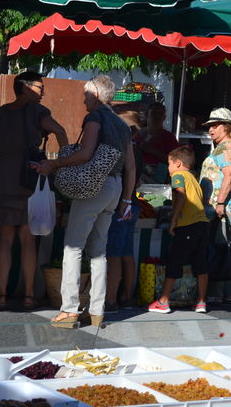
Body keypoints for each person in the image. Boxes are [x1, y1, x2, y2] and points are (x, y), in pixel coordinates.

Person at [35, 75, 135, 328]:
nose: (83, 98)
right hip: (115, 187)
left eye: (85, 94)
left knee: (73, 247)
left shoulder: (95, 118)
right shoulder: (123, 126)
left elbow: (85, 153)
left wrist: (54, 163)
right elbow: (131, 167)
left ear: (95, 95)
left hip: (94, 186)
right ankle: (97, 310)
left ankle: (69, 310)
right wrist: (126, 200)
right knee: (99, 249)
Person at [0, 72, 68, 311]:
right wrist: (66, 161)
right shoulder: (39, 113)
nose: (43, 91)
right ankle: (29, 295)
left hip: (1, 178)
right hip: (28, 178)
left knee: (4, 239)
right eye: (40, 87)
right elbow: (60, 131)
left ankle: (0, 295)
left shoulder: (3, 112)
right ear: (25, 87)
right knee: (28, 240)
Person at [148, 145, 211, 314]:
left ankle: (164, 300)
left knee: (174, 261)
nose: (168, 168)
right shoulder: (193, 179)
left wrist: (173, 220)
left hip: (187, 226)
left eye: (169, 164)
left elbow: (181, 195)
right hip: (202, 225)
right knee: (201, 264)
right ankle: (201, 302)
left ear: (177, 163)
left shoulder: (178, 176)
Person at [199, 108, 231, 304]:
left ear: (226, 127)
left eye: (215, 125)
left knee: (219, 248)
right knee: (229, 248)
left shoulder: (226, 147)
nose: (211, 130)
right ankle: (228, 291)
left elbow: (230, 173)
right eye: (210, 126)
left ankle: (216, 292)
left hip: (223, 209)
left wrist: (219, 202)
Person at [104, 112, 143, 314]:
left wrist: (124, 200)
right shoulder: (138, 149)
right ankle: (127, 296)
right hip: (132, 204)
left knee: (114, 253)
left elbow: (129, 175)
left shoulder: (127, 149)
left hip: (122, 204)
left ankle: (111, 299)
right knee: (126, 252)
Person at [134, 103, 179, 184]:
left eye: (160, 114)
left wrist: (154, 151)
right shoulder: (138, 135)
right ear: (147, 115)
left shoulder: (169, 137)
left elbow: (176, 162)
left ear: (164, 117)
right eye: (154, 113)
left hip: (159, 178)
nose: (157, 116)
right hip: (138, 175)